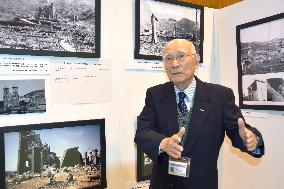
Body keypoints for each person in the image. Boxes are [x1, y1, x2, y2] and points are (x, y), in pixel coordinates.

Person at [134, 39, 264, 189]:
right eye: (168, 58)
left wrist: (252, 139)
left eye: (181, 56)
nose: (175, 64)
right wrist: (163, 143)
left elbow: (239, 131)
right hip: (163, 183)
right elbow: (142, 132)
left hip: (201, 183)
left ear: (196, 60)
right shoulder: (155, 94)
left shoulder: (220, 96)